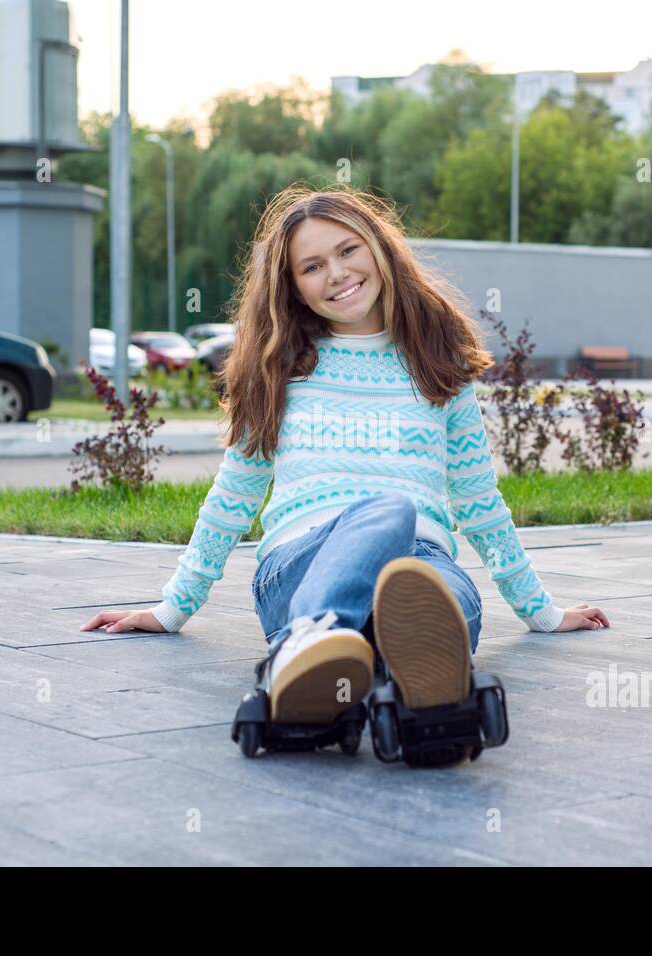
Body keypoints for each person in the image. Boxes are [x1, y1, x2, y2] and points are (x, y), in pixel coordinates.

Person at [82, 184, 609, 754]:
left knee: (451, 604)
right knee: (389, 512)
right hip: (299, 569)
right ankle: (315, 641)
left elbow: (480, 503)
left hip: (418, 564)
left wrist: (543, 613)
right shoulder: (281, 369)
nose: (336, 273)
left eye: (348, 250)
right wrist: (171, 608)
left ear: (380, 249)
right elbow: (234, 494)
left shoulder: (438, 366)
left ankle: (393, 679)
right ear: (293, 287)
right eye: (312, 266)